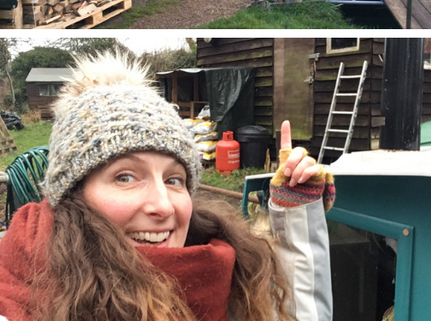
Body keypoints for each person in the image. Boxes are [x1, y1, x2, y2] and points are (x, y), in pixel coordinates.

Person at [0, 52, 334, 321]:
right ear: (70, 195)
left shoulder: (230, 282)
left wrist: (296, 215)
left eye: (175, 180)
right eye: (125, 177)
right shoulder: (17, 301)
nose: (163, 205)